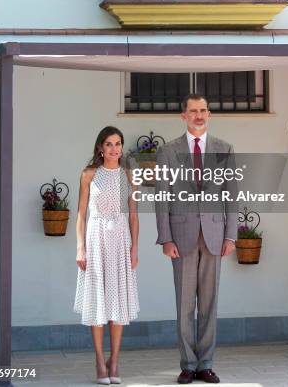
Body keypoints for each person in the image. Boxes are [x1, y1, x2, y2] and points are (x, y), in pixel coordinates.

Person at [155, 94, 237, 384]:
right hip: (182, 236)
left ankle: (206, 364)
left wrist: (231, 235)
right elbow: (162, 196)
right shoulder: (167, 151)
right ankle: (188, 365)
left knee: (210, 303)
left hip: (215, 235)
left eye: (203, 110)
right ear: (184, 116)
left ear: (209, 114)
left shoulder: (225, 149)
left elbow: (232, 196)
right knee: (185, 304)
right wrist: (165, 237)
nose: (199, 115)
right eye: (193, 111)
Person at [73, 126, 139, 384]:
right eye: (109, 144)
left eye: (118, 143)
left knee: (118, 301)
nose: (114, 149)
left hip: (120, 239)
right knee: (99, 300)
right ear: (100, 147)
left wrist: (135, 248)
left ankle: (115, 361)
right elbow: (81, 214)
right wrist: (80, 247)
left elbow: (134, 215)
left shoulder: (129, 175)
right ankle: (100, 361)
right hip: (96, 238)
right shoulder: (89, 174)